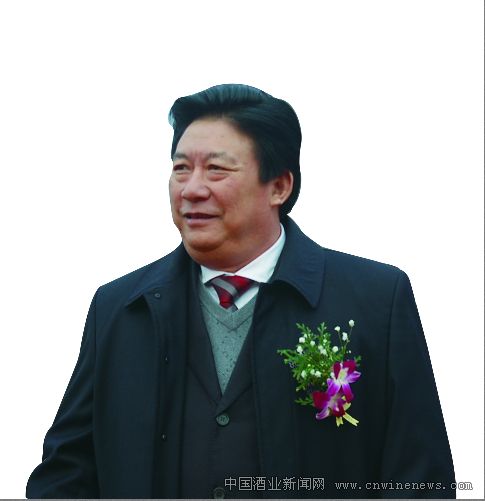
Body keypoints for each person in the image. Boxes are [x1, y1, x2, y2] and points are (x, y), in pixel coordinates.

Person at [27, 84, 455, 499]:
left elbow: (421, 480)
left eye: (216, 169)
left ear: (279, 186)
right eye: (181, 168)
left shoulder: (375, 300)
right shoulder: (121, 308)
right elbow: (67, 474)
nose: (192, 188)